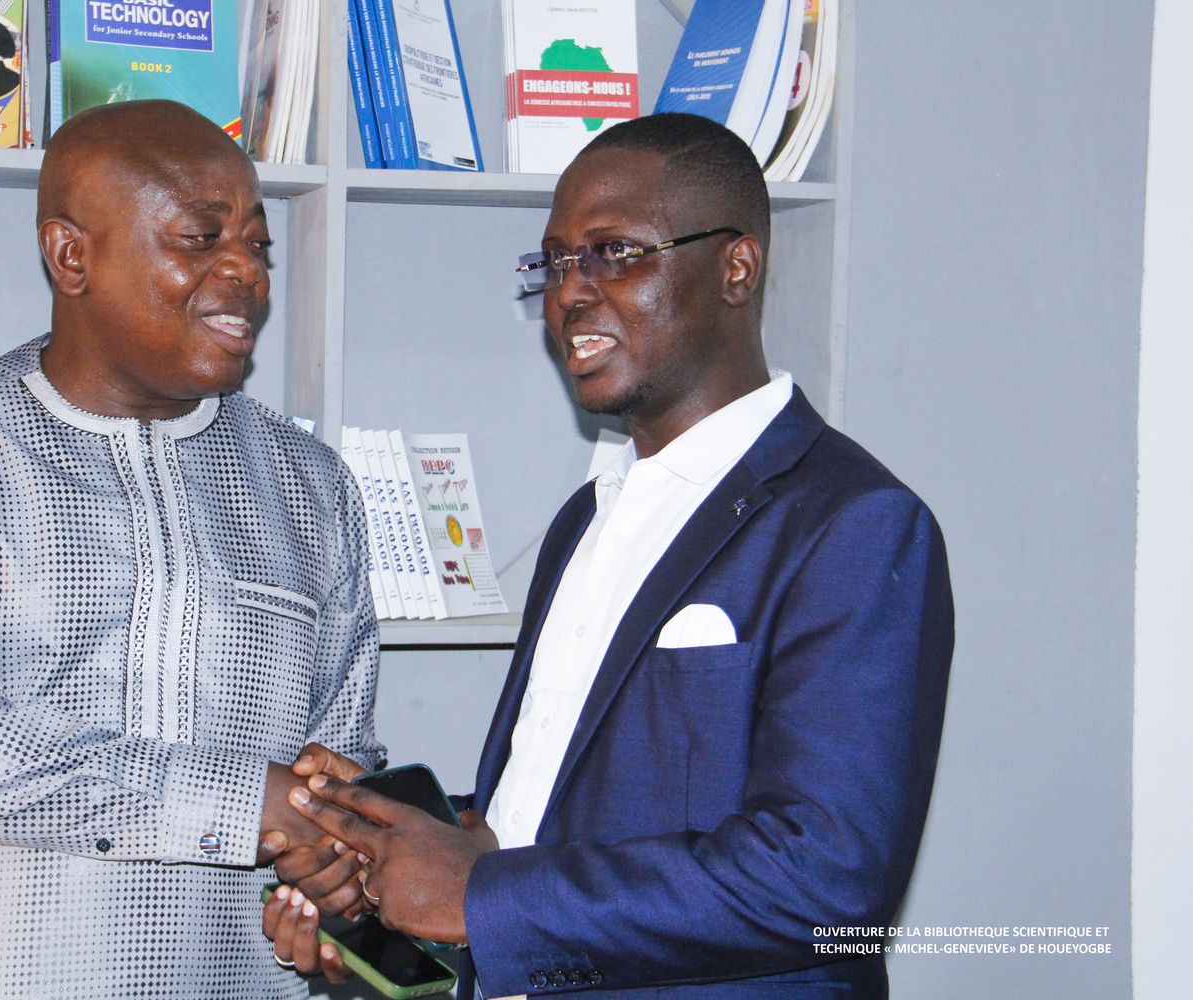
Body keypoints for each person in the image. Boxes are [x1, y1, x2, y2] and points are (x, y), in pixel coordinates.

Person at [268, 113, 954, 998]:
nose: (571, 293)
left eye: (617, 253)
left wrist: (483, 895)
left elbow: (824, 880)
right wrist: (398, 843)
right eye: (556, 261)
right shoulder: (583, 521)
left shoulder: (851, 523)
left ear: (736, 268)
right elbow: (561, 820)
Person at [0, 100, 383, 999]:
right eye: (201, 239)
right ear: (71, 255)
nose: (245, 273)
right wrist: (240, 802)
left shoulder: (310, 485)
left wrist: (337, 868)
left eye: (257, 244)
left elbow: (339, 759)